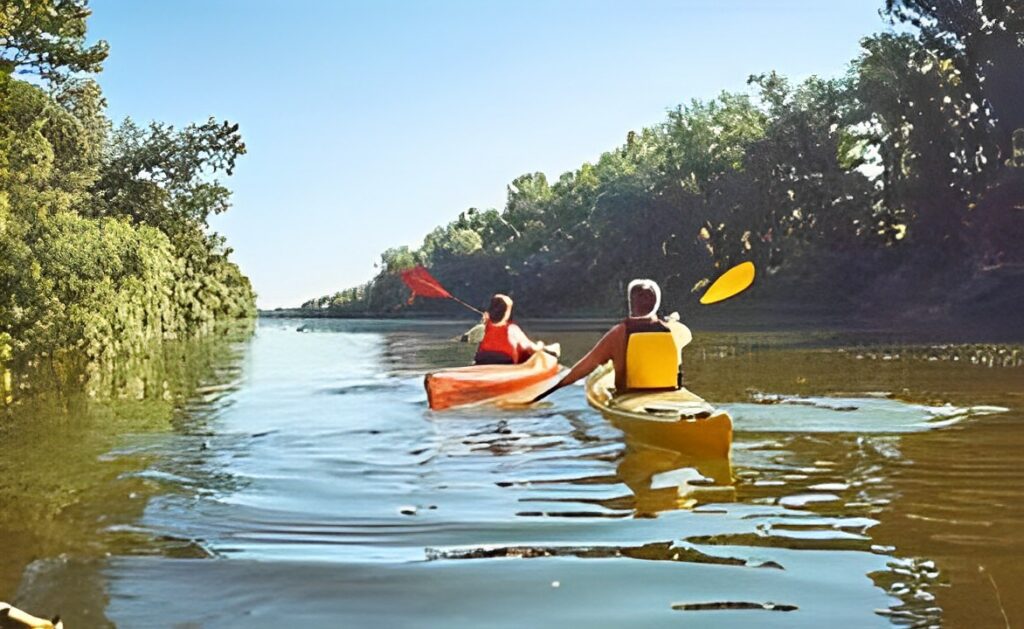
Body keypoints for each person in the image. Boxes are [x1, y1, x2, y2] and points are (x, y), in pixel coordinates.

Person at [533, 279, 691, 399]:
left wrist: (549, 391)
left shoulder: (619, 333)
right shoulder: (673, 331)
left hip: (630, 398)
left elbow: (586, 367)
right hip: (671, 395)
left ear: (631, 303)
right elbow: (685, 336)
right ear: (656, 303)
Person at [474, 294, 543, 365]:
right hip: (504, 361)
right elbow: (529, 346)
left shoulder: (485, 325)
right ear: (506, 312)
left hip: (482, 359)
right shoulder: (512, 328)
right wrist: (540, 345)